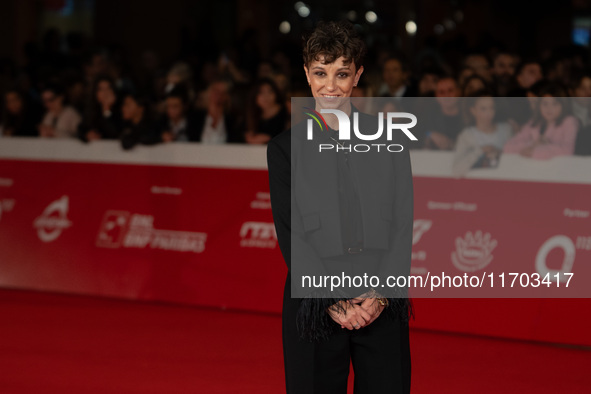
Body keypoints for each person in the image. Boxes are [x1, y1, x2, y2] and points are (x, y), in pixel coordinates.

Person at [267, 20, 413, 394]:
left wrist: (380, 294)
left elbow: (402, 223)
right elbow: (291, 232)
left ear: (357, 75)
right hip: (315, 297)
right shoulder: (284, 149)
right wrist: (332, 300)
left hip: (379, 294)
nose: (330, 86)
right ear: (306, 73)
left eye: (341, 73)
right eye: (320, 72)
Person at [503, 83, 579, 159]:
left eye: (555, 104)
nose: (549, 109)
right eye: (545, 104)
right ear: (539, 105)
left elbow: (567, 151)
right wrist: (533, 144)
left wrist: (537, 150)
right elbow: (508, 146)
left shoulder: (569, 122)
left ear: (564, 105)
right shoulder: (534, 122)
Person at [453, 92, 512, 177]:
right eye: (483, 109)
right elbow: (456, 170)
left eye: (491, 108)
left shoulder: (506, 130)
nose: (489, 113)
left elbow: (514, 160)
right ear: (473, 110)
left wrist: (499, 152)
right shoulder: (467, 135)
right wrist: (480, 151)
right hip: (477, 186)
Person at [77, 75, 123, 142]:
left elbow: (114, 133)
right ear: (95, 93)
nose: (105, 93)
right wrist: (87, 135)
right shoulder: (90, 110)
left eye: (108, 88)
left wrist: (107, 109)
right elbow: (81, 129)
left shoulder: (121, 110)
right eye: (101, 89)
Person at [244, 77, 288, 144]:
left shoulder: (287, 110)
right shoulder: (252, 116)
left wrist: (268, 138)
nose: (266, 96)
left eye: (270, 91)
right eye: (261, 92)